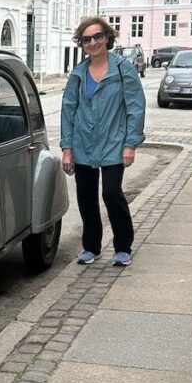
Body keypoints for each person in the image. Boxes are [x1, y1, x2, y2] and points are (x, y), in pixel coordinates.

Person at [61, 16, 146, 267]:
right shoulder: (78, 74)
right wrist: (67, 149)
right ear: (82, 44)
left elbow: (135, 107)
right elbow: (68, 112)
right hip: (83, 144)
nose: (93, 42)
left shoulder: (122, 69)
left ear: (107, 38)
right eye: (87, 39)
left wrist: (130, 144)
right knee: (86, 197)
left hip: (114, 143)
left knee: (111, 193)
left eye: (98, 37)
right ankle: (91, 247)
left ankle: (123, 246)